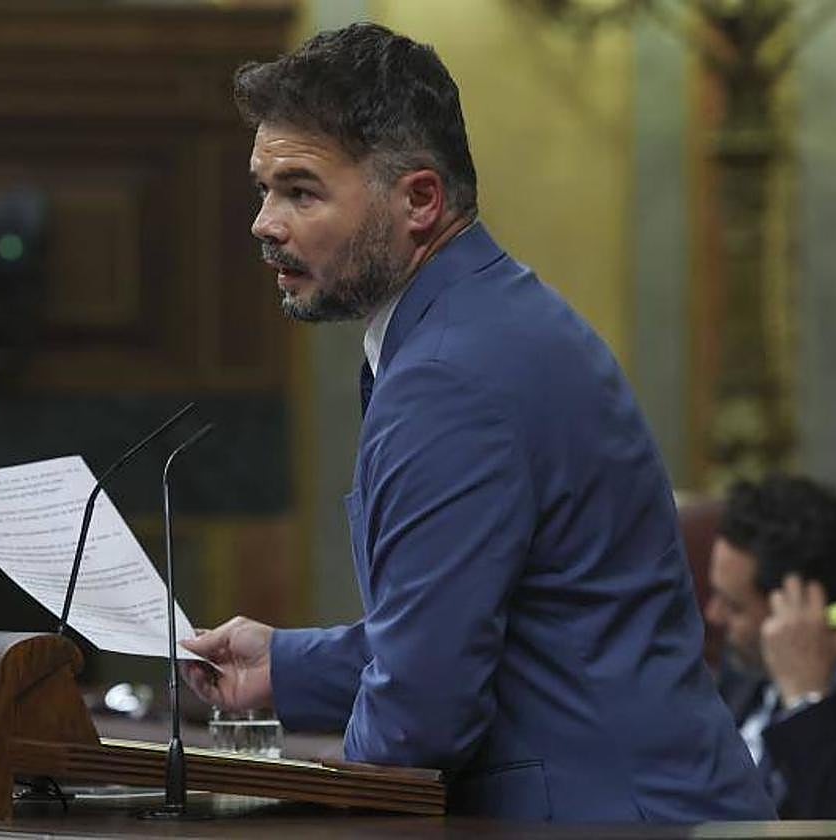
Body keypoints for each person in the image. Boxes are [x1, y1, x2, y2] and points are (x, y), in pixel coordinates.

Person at [181, 22, 774, 822]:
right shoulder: (486, 319)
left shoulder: (448, 377)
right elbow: (478, 628)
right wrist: (282, 666)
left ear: (419, 199)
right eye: (264, 188)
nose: (264, 222)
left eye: (300, 190)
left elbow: (420, 717)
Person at [706, 475, 836, 818]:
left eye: (733, 606)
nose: (712, 615)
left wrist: (804, 700)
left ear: (802, 606)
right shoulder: (745, 664)